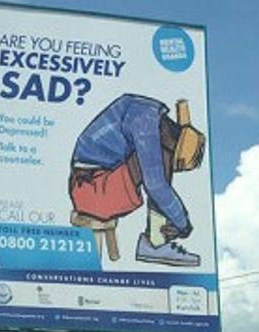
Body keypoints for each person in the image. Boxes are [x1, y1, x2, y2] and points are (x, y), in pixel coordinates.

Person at [69, 94, 205, 267]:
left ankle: (155, 239)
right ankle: (155, 242)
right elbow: (155, 185)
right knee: (158, 164)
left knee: (154, 161)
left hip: (94, 184)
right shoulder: (144, 121)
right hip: (92, 192)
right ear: (173, 139)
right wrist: (183, 225)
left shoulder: (148, 110)